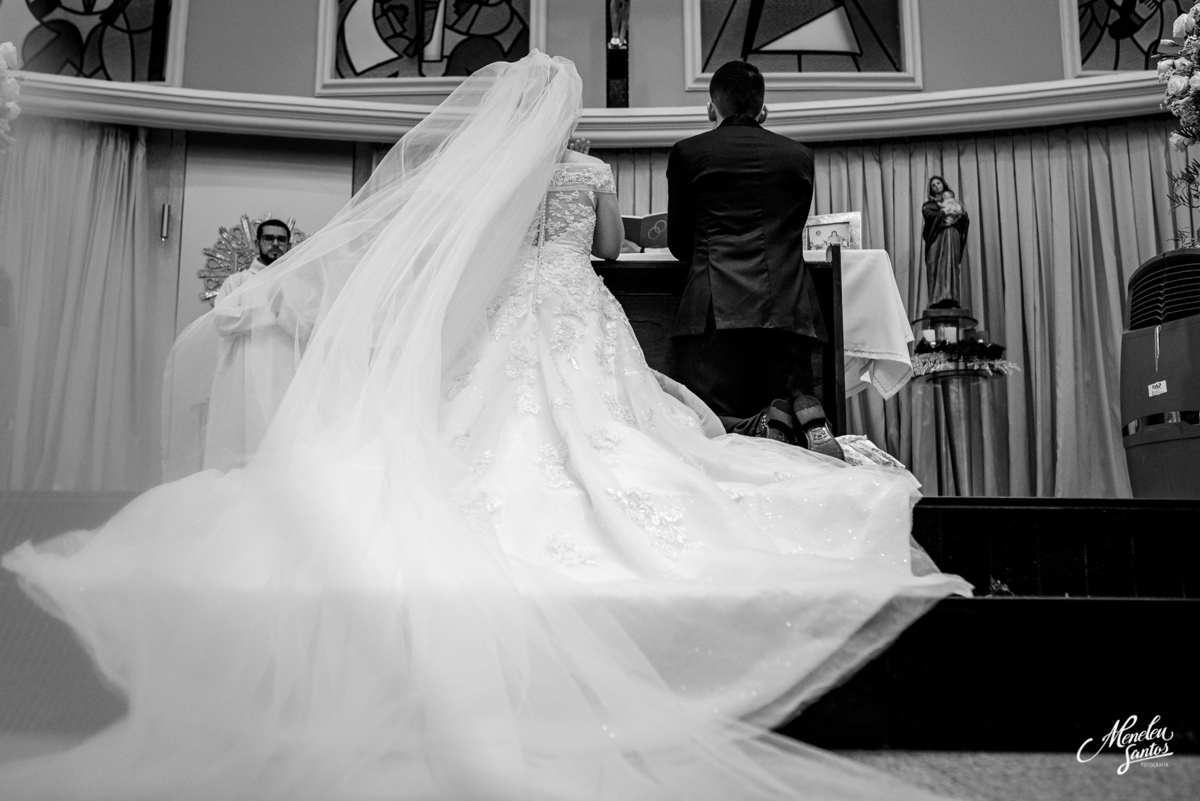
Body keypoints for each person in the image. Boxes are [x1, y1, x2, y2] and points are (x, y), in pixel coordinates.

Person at [0, 53, 968, 800]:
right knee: (606, 420)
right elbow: (601, 252)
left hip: (512, 303)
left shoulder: (492, 183)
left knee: (485, 408)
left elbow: (472, 260)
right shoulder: (591, 172)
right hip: (580, 302)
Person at [667, 60, 842, 459]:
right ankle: (806, 418)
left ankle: (759, 428)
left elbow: (680, 242)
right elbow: (792, 227)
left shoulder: (689, 153)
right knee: (794, 444)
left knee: (708, 425)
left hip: (715, 310)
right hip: (787, 305)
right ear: (764, 110)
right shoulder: (799, 157)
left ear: (712, 108)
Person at [204, 219, 318, 470]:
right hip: (242, 378)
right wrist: (266, 312)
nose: (275, 244)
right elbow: (222, 320)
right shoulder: (237, 283)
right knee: (243, 443)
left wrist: (283, 313)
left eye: (281, 239)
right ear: (258, 243)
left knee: (283, 447)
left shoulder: (301, 286)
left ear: (289, 244)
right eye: (269, 238)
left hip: (286, 379)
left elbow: (311, 329)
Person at [921, 176, 970, 309]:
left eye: (938, 183)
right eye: (933, 185)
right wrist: (942, 212)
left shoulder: (954, 202)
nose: (936, 186)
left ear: (944, 185)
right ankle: (936, 299)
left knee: (951, 266)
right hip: (937, 238)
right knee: (936, 267)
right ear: (931, 190)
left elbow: (963, 219)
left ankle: (951, 297)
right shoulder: (929, 205)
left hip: (951, 236)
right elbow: (929, 217)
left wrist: (962, 216)